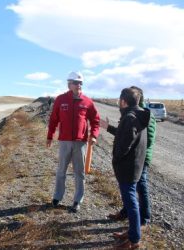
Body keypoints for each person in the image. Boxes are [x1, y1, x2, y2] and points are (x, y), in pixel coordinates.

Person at [102, 86, 156, 229]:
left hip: (139, 159)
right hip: (133, 158)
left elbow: (142, 140)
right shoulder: (135, 114)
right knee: (129, 191)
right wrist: (108, 128)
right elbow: (126, 135)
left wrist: (118, 157)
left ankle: (143, 220)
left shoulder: (140, 115)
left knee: (139, 188)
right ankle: (128, 217)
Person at [47, 71, 100, 213]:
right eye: (76, 83)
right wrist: (49, 136)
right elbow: (53, 119)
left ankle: (77, 200)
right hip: (64, 141)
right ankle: (57, 197)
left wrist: (93, 135)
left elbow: (95, 121)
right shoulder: (60, 99)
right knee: (61, 171)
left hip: (80, 143)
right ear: (69, 84)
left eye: (81, 83)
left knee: (79, 173)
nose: (79, 85)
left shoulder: (87, 102)